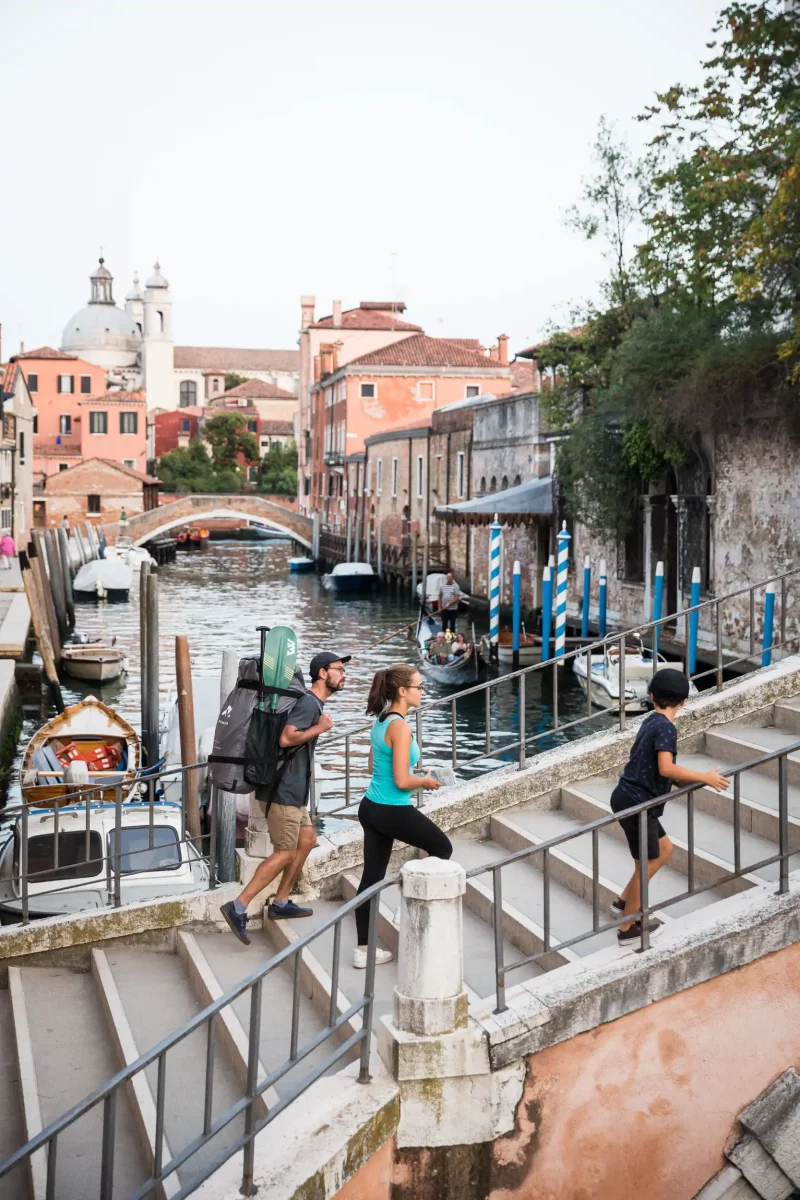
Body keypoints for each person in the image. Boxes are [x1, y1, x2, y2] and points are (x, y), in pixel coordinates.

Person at [220, 650, 350, 945]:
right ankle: (237, 907)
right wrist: (320, 727)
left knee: (306, 839)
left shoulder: (311, 703)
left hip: (290, 790)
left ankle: (281, 901)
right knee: (284, 852)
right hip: (282, 791)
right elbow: (286, 738)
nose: (344, 675)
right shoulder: (308, 704)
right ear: (322, 673)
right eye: (339, 669)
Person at [611, 667, 730, 945]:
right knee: (647, 863)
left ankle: (623, 902)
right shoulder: (666, 727)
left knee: (664, 850)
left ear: (652, 696)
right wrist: (704, 777)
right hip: (638, 803)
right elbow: (666, 768)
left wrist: (693, 781)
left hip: (629, 796)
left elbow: (654, 766)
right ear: (684, 701)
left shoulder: (651, 721)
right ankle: (628, 928)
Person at [353, 665, 451, 969]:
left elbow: (374, 767)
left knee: (371, 878)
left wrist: (412, 773)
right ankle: (406, 901)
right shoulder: (401, 727)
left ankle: (362, 951)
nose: (423, 692)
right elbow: (400, 782)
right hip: (391, 809)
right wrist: (425, 780)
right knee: (442, 848)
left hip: (370, 806)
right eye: (419, 687)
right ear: (403, 691)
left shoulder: (381, 721)